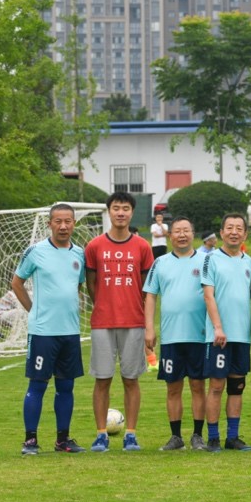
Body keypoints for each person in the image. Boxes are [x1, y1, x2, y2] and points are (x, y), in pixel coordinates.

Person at [12, 204, 87, 454]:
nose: (63, 226)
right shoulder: (35, 251)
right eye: (58, 221)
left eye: (68, 221)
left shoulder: (79, 254)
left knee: (66, 387)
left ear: (74, 223)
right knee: (38, 385)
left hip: (70, 332)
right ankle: (30, 440)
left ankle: (62, 440)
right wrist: (33, 310)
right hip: (43, 332)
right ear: (49, 224)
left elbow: (75, 287)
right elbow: (17, 283)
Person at [85, 191, 155, 452]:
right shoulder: (94, 246)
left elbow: (148, 289)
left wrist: (148, 324)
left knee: (130, 379)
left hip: (133, 322)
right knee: (102, 379)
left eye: (125, 208)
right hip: (102, 322)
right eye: (116, 208)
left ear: (131, 212)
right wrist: (104, 305)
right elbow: (91, 284)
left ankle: (131, 435)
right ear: (109, 211)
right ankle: (101, 434)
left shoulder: (142, 247)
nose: (121, 213)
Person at [144, 216, 210, 451]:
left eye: (186, 230)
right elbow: (150, 295)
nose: (182, 235)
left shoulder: (206, 260)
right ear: (169, 235)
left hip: (200, 336)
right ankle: (175, 437)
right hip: (171, 336)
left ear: (193, 234)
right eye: (177, 231)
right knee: (173, 387)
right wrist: (149, 328)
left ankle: (197, 435)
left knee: (197, 386)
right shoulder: (160, 263)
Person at [201, 213, 251, 452]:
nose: (234, 232)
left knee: (237, 387)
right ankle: (213, 437)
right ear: (221, 232)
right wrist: (218, 327)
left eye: (239, 228)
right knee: (216, 386)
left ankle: (232, 437)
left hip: (241, 335)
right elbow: (208, 294)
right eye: (229, 228)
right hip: (219, 336)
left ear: (245, 234)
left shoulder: (248, 261)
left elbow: (245, 291)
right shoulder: (210, 259)